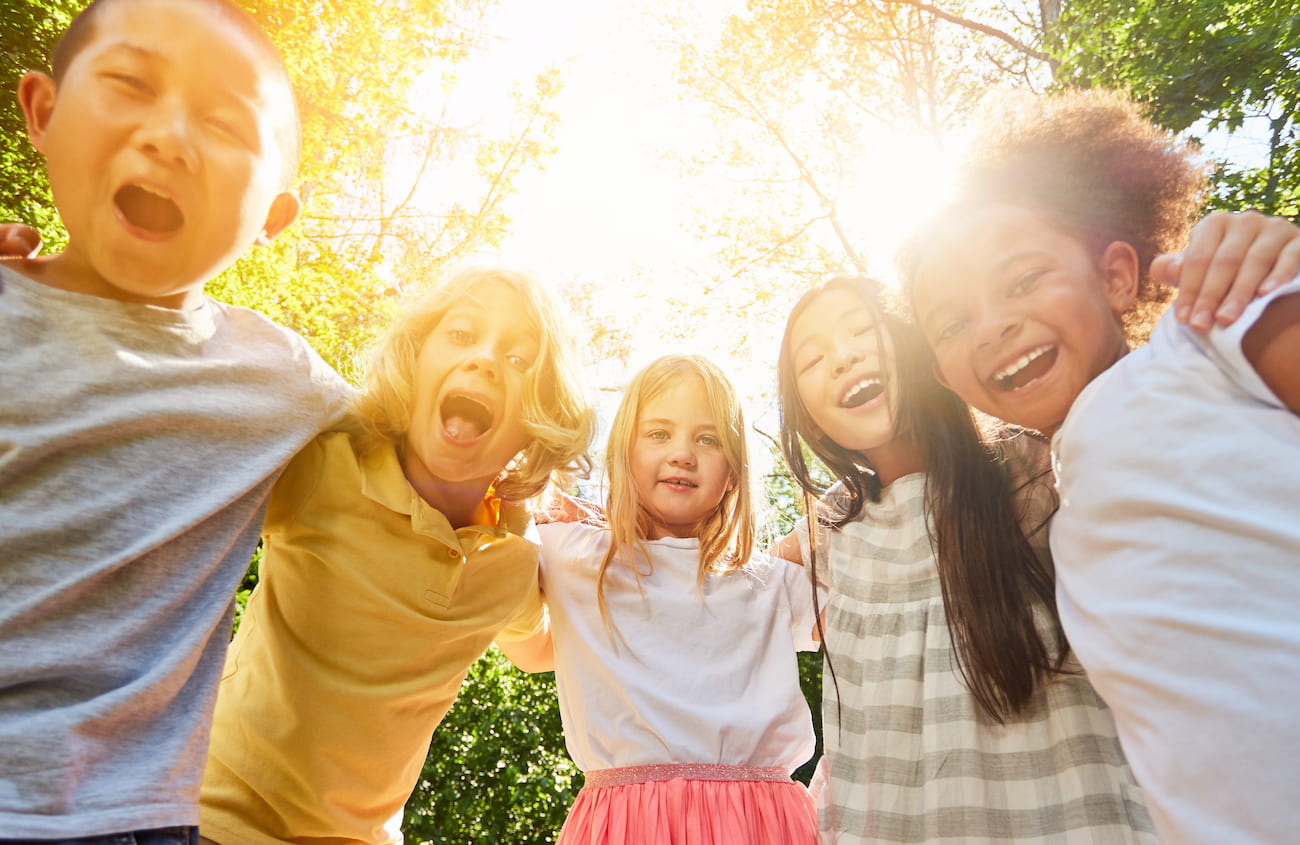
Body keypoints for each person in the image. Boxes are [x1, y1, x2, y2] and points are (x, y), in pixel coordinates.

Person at [905, 90, 1300, 845]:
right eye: (954, 320)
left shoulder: (1201, 338)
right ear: (948, 375)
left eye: (1021, 280)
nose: (995, 325)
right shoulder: (1052, 503)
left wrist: (1268, 260)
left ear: (1118, 277)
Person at [0, 0, 349, 842]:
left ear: (273, 216)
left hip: (134, 817)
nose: (171, 137)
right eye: (129, 84)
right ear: (42, 111)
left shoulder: (281, 381)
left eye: (226, 124)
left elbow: (424, 442)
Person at [197, 268, 596, 845]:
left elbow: (537, 650)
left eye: (519, 360)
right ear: (415, 360)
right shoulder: (323, 464)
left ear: (544, 414)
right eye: (462, 335)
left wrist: (647, 594)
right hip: (218, 814)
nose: (484, 360)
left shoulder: (512, 560)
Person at [775, 275, 1154, 843]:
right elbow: (709, 601)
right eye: (812, 360)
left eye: (860, 330)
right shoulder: (827, 530)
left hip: (1074, 817)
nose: (842, 357)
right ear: (806, 413)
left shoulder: (1039, 471)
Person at [501, 355, 820, 845]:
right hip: (627, 826)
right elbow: (527, 644)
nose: (682, 454)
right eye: (657, 434)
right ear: (623, 452)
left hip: (762, 825)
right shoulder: (574, 556)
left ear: (733, 472)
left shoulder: (771, 582)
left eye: (708, 439)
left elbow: (866, 554)